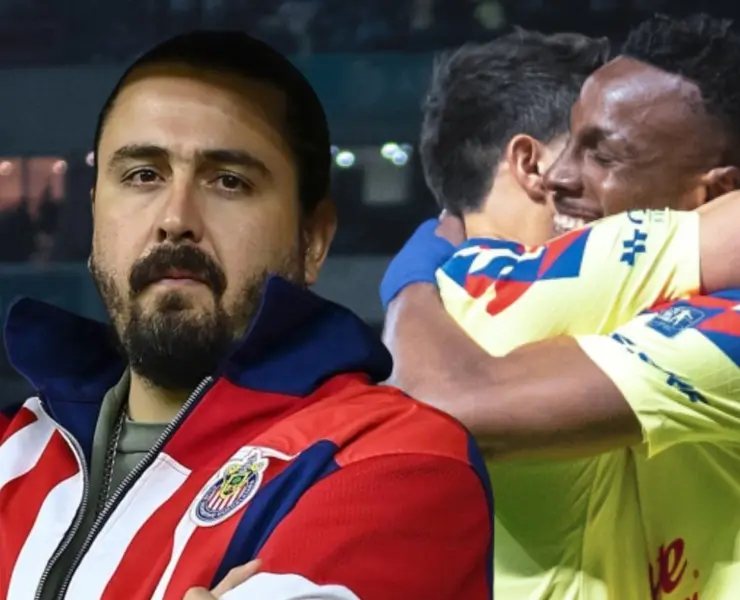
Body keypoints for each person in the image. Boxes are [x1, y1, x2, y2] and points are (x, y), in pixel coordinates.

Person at [382, 16, 740, 600]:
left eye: (603, 156)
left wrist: (412, 277)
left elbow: (448, 402)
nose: (558, 180)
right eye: (571, 145)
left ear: (715, 192)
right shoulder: (670, 307)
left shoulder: (726, 320)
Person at [0, 32, 492, 600]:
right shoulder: (16, 449)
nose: (175, 219)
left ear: (313, 240)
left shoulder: (396, 464)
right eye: (142, 175)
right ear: (94, 214)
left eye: (228, 181)